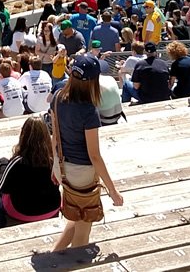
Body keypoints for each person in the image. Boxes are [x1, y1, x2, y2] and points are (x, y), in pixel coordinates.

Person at [49, 54, 123, 254]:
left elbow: (55, 138)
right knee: (84, 228)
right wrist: (113, 190)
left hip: (62, 166)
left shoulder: (57, 98)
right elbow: (94, 156)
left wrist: (54, 168)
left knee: (77, 215)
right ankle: (75, 263)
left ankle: (54, 256)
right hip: (81, 173)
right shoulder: (89, 111)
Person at [0, 116, 60, 223]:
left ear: (23, 136)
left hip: (23, 212)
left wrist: (3, 164)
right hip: (51, 209)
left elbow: (1, 187)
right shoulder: (53, 160)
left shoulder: (17, 162)